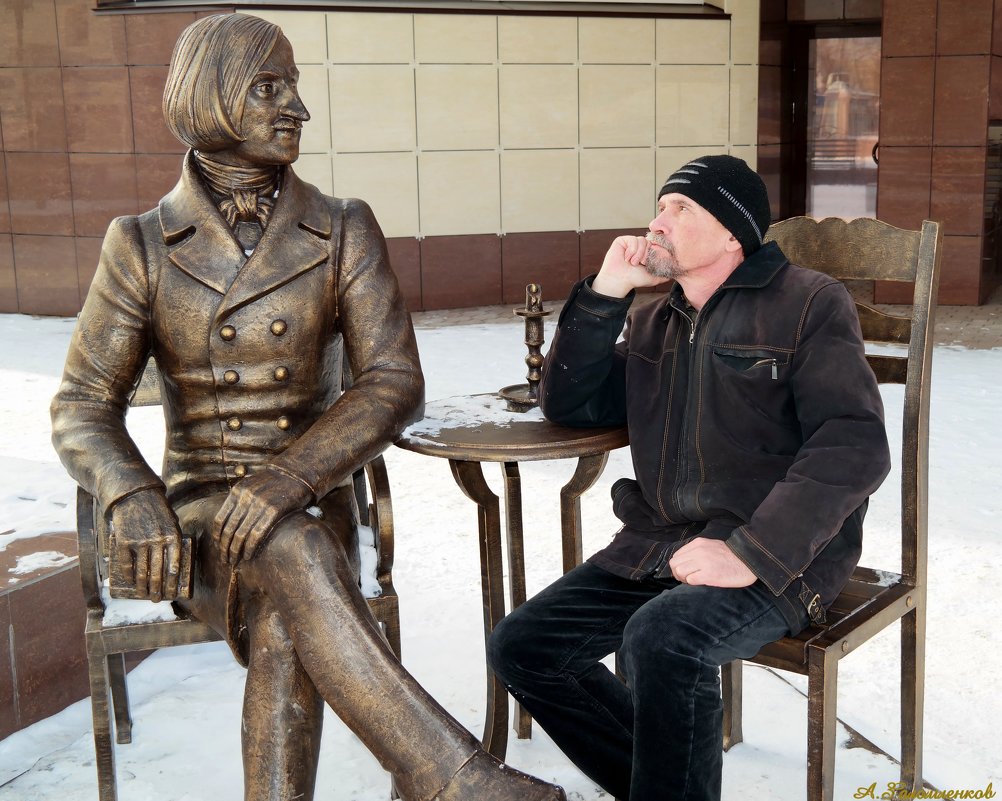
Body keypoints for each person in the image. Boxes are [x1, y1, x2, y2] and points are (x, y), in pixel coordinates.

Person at [51, 13, 565, 801]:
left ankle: (456, 781)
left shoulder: (343, 227)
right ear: (211, 96)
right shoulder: (141, 244)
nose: (297, 106)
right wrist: (131, 491)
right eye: (270, 87)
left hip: (312, 499)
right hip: (200, 522)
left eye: (292, 85)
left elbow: (392, 380)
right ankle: (457, 779)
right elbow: (83, 403)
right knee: (297, 567)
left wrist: (290, 478)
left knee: (294, 581)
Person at [487, 155, 891, 801]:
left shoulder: (807, 302)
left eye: (680, 209)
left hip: (784, 554)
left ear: (733, 231)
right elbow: (572, 404)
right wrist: (605, 295)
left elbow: (853, 443)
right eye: (659, 205)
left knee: (664, 638)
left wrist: (750, 551)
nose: (656, 222)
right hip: (662, 541)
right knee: (526, 645)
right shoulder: (655, 315)